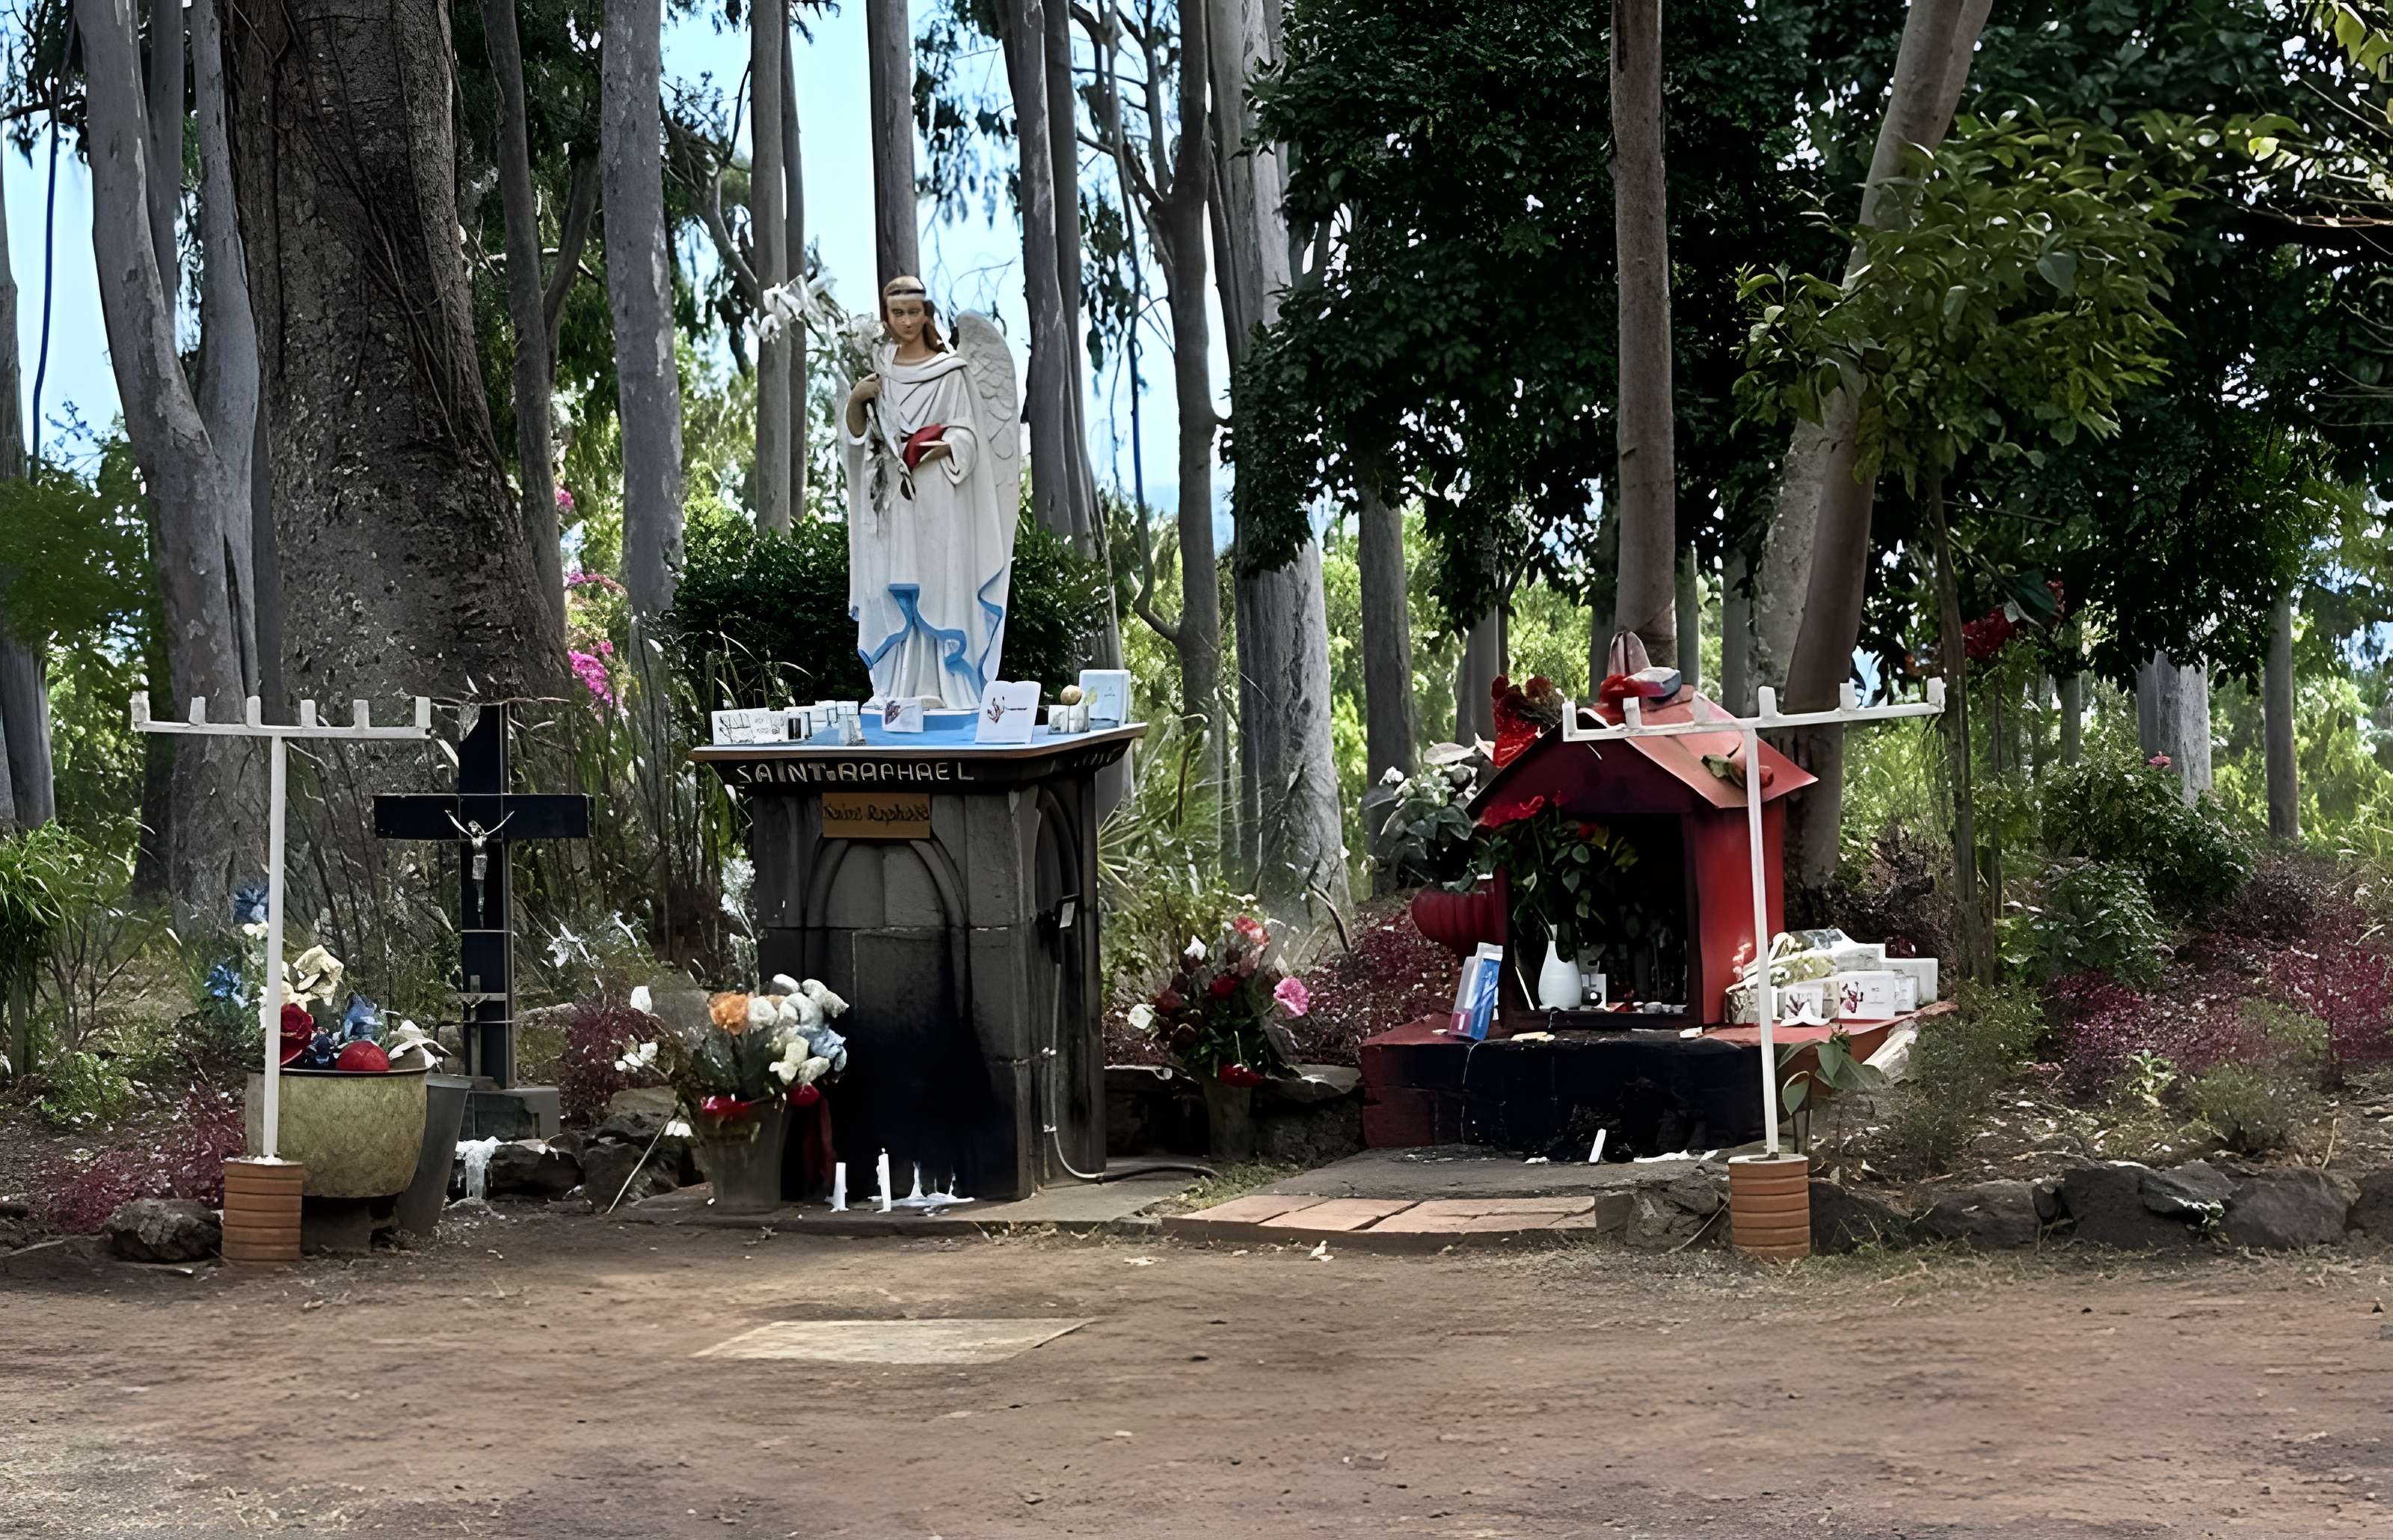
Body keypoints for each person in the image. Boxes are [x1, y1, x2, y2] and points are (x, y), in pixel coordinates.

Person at [841, 276, 1017, 709]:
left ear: (926, 315)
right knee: (894, 582)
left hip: (939, 495)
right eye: (897, 313)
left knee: (940, 582)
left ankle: (945, 687)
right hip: (894, 501)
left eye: (913, 312)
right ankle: (898, 688)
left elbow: (969, 435)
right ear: (886, 317)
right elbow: (856, 442)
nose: (905, 321)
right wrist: (856, 400)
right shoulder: (875, 370)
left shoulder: (951, 371)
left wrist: (948, 445)